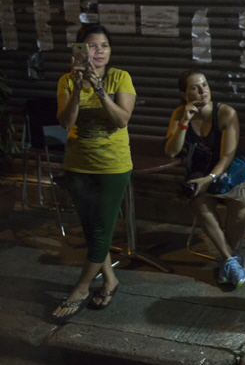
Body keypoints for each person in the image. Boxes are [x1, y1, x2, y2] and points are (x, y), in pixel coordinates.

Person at [52, 24, 136, 321]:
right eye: (91, 46)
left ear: (110, 52)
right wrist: (77, 87)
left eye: (104, 46)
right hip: (77, 165)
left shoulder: (120, 78)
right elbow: (64, 122)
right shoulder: (66, 81)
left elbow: (121, 120)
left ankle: (81, 287)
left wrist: (99, 89)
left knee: (102, 231)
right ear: (79, 50)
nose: (98, 52)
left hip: (112, 167)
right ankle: (110, 281)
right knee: (91, 230)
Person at [164, 70, 245, 289]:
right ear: (184, 94)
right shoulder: (179, 114)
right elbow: (171, 151)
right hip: (201, 172)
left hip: (235, 170)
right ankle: (231, 260)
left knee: (240, 206)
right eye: (195, 88)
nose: (202, 91)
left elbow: (228, 155)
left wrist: (209, 178)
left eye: (205, 85)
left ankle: (228, 259)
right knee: (199, 204)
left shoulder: (226, 113)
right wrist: (183, 123)